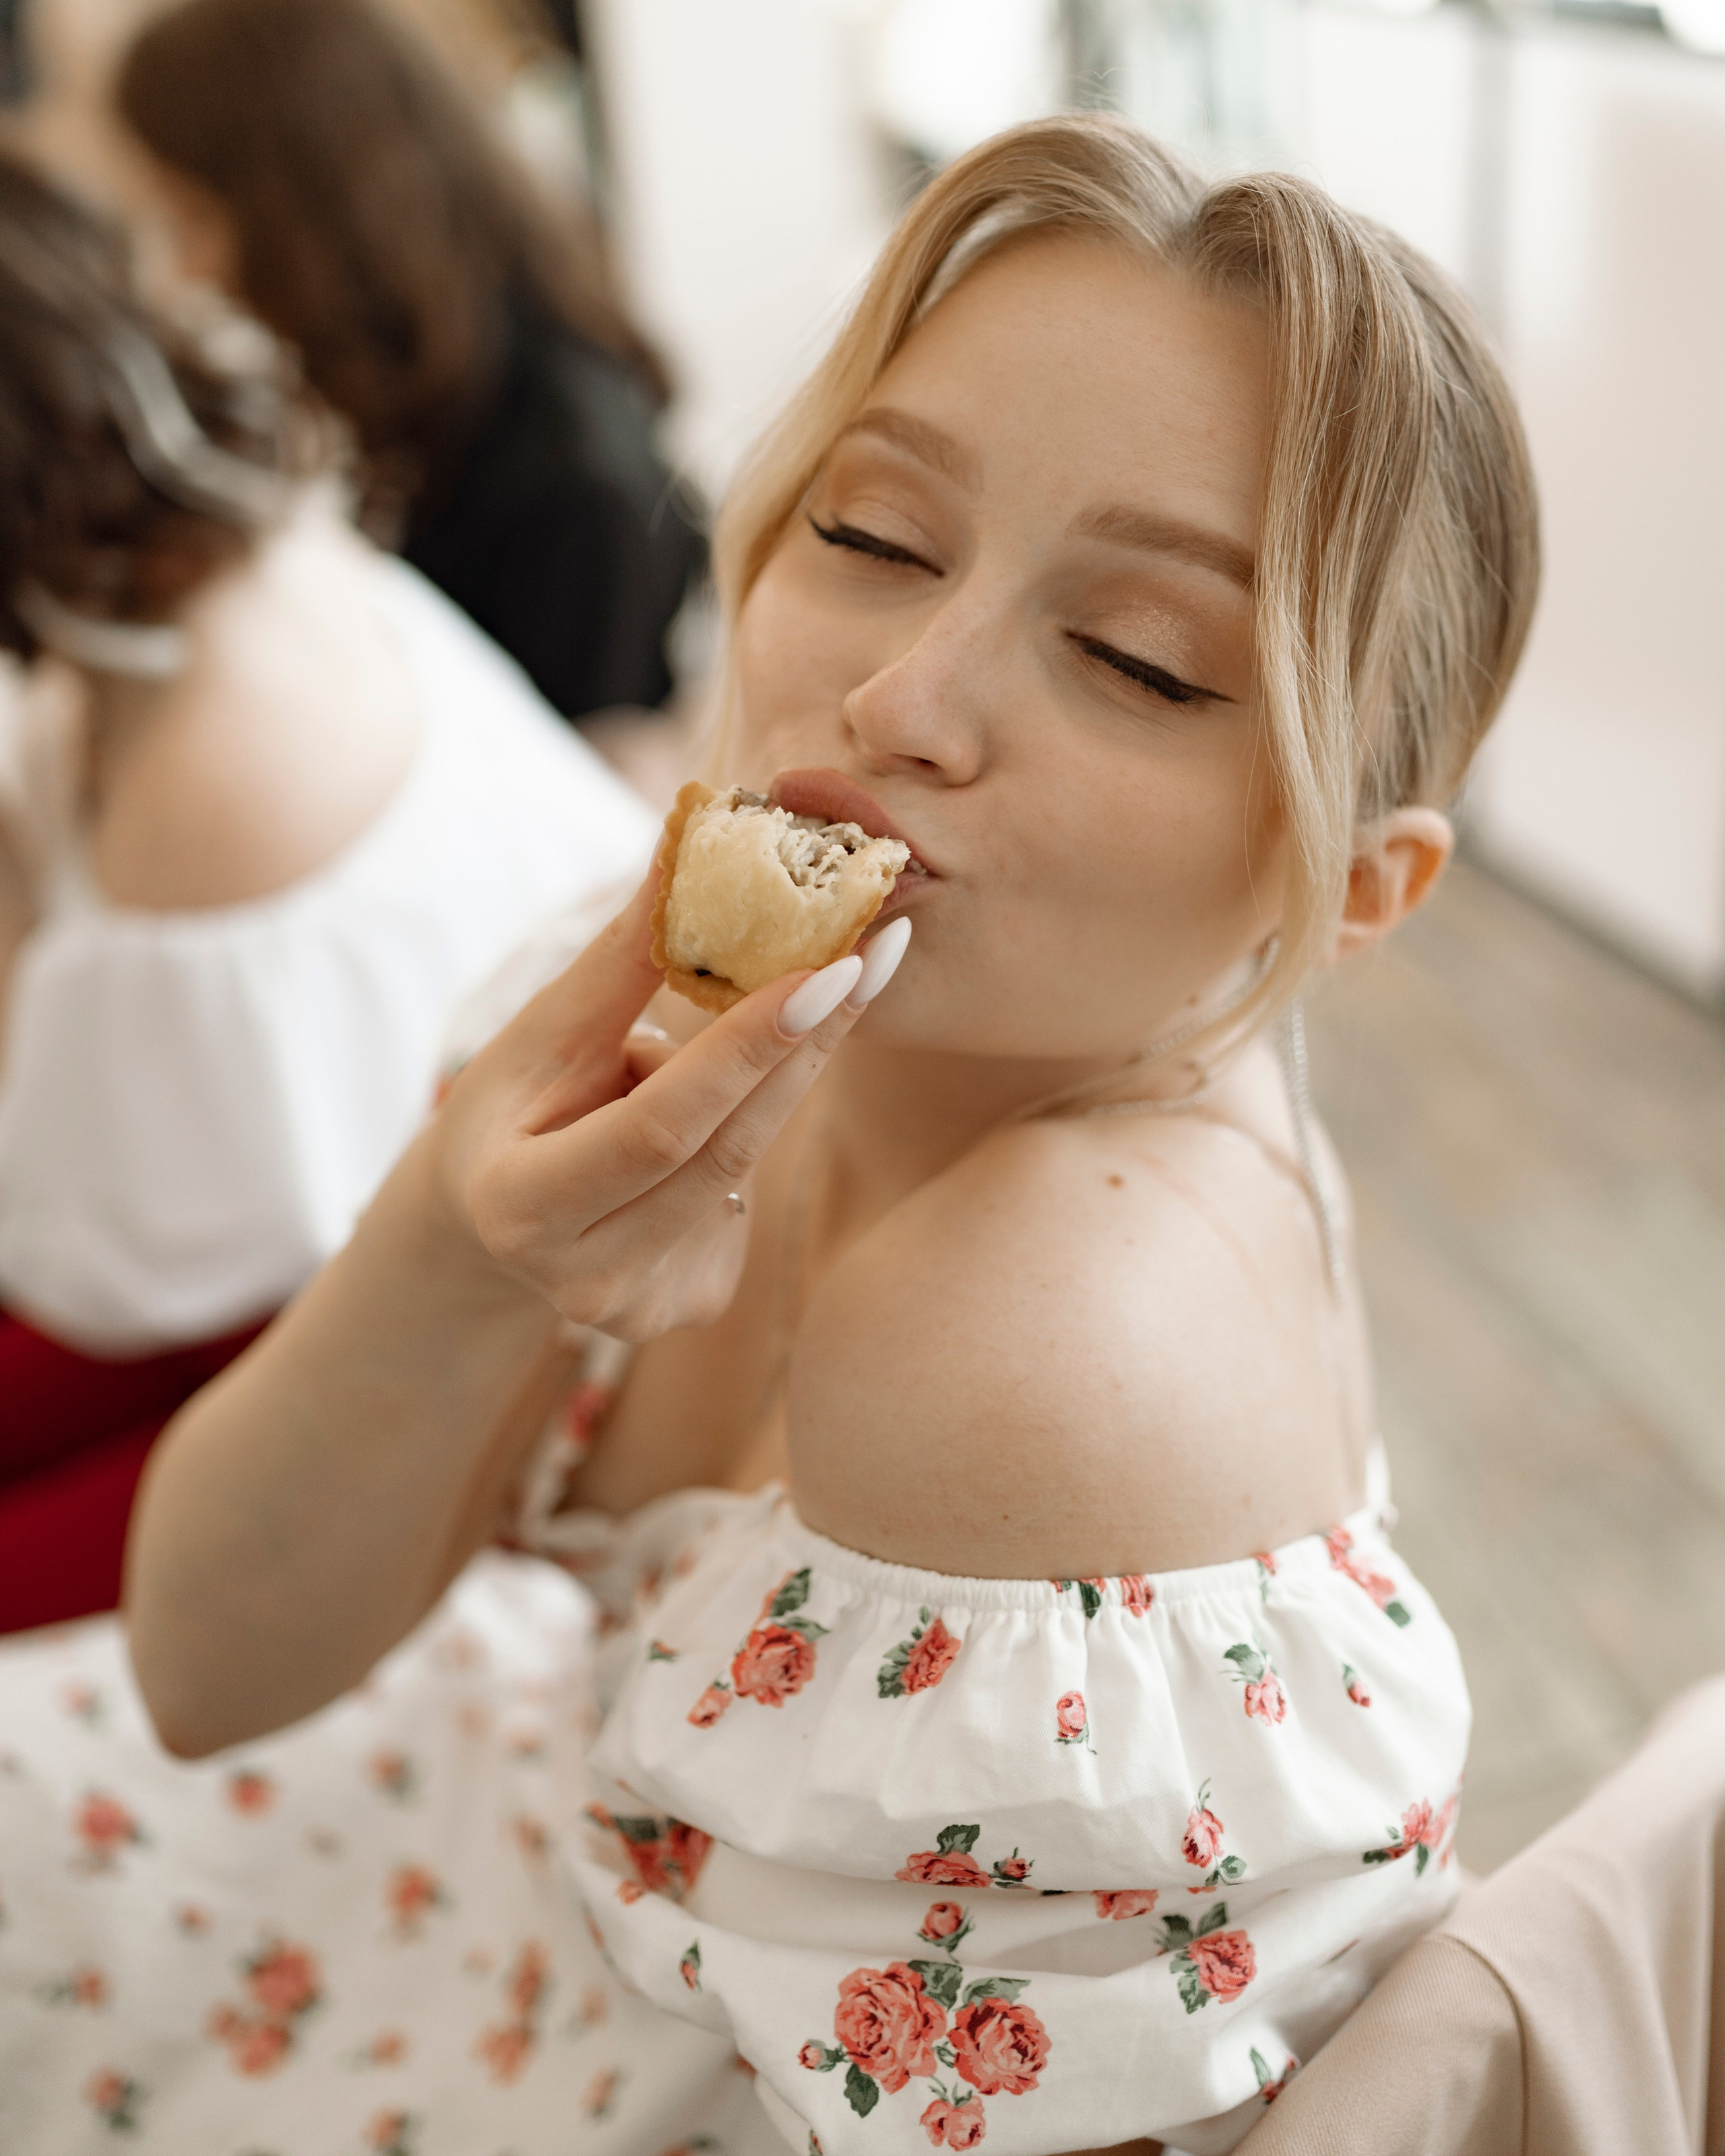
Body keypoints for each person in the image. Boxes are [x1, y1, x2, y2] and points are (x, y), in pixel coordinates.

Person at [22, 112, 1538, 2151]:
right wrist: (464, 1243)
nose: (900, 696)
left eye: (1134, 657)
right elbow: (206, 1666)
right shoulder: (648, 979)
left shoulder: (1027, 1339)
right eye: (875, 533)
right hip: (514, 1848)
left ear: (1351, 888)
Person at [0, 150, 656, 1632]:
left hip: (349, 1298)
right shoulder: (233, 539)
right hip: (289, 1213)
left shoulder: (207, 757)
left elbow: (83, 1252)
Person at [111, 0, 706, 724]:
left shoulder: (567, 483)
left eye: (193, 219)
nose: (184, 270)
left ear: (307, 211)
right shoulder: (409, 399)